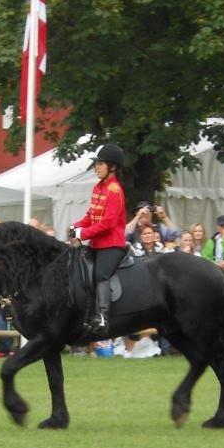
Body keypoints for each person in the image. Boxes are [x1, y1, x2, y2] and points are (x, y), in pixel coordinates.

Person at [70, 143, 127, 336]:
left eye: (100, 164)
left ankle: (103, 316)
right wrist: (76, 226)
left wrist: (83, 234)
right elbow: (91, 215)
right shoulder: (98, 188)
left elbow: (108, 223)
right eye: (96, 164)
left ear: (112, 167)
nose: (96, 167)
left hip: (112, 244)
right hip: (97, 244)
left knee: (101, 275)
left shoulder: (114, 190)